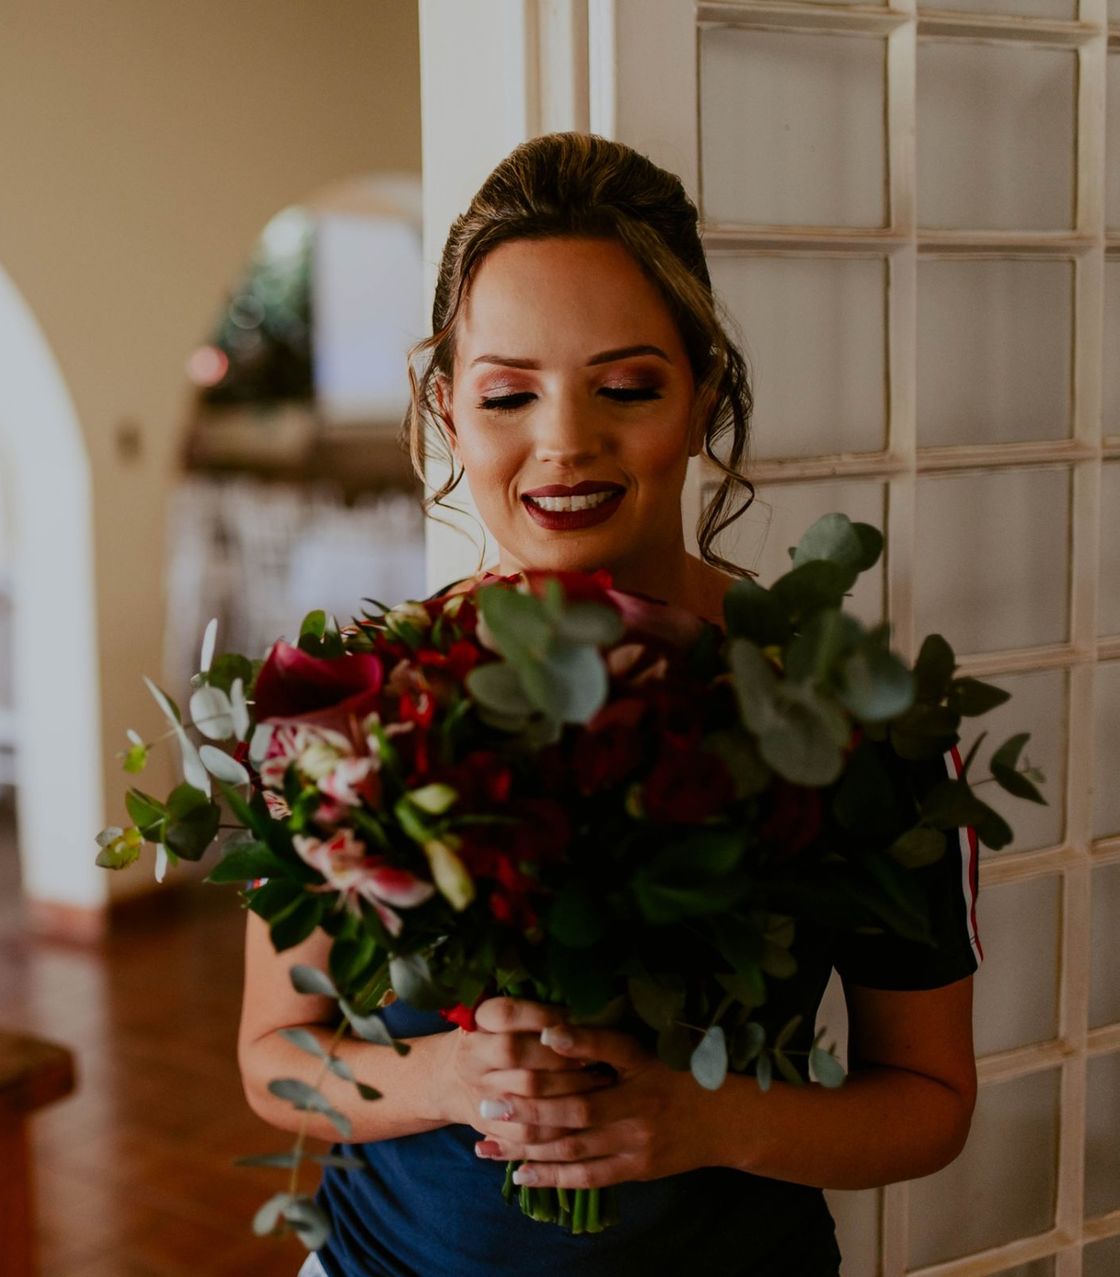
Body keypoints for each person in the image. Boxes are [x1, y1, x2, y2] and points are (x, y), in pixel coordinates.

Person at [236, 132, 983, 1277]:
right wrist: (440, 1077)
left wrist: (708, 1118)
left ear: (704, 389)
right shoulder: (357, 705)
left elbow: (930, 1098)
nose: (565, 442)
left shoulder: (844, 714)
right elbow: (273, 1058)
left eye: (626, 385)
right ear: (447, 407)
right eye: (507, 393)